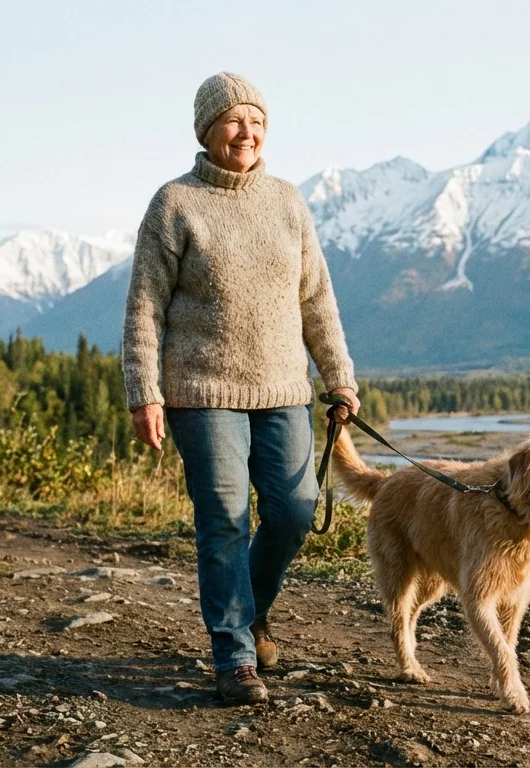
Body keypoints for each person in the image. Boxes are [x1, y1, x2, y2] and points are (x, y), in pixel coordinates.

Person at [121, 72, 359, 705]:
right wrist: (145, 392)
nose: (247, 132)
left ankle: (251, 615)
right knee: (224, 521)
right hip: (200, 393)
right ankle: (234, 658)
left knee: (294, 510)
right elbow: (144, 307)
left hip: (284, 389)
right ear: (207, 130)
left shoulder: (287, 202)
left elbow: (317, 299)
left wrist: (339, 377)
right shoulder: (174, 203)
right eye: (233, 120)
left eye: (256, 120)